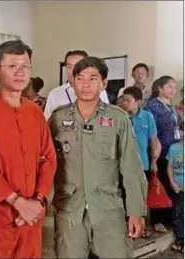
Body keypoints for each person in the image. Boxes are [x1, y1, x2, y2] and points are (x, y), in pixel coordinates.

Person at [0, 39, 57, 258]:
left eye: (25, 66)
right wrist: (17, 202)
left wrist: (38, 200)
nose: (20, 72)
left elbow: (49, 158)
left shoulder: (34, 112)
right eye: (12, 66)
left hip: (31, 216)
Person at [49, 57, 147, 258]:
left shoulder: (118, 118)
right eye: (80, 78)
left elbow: (131, 167)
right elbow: (46, 163)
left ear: (104, 83)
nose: (86, 84)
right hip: (69, 210)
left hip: (109, 210)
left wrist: (136, 211)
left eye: (93, 78)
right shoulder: (58, 118)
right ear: (73, 82)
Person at [120, 86, 161, 238]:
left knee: (141, 197)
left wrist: (154, 161)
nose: (124, 103)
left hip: (142, 163)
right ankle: (125, 227)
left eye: (127, 100)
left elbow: (153, 140)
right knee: (124, 196)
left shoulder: (147, 117)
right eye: (122, 100)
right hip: (121, 165)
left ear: (137, 102)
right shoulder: (120, 116)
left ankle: (141, 227)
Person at [144, 76, 178, 233]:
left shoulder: (170, 106)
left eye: (174, 87)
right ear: (160, 88)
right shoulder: (153, 106)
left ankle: (171, 217)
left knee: (172, 185)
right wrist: (154, 155)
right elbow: (150, 131)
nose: (173, 90)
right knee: (160, 184)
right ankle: (158, 220)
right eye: (170, 86)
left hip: (173, 151)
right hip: (160, 152)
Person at [44, 50, 109, 120]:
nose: (72, 71)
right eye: (69, 67)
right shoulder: (55, 94)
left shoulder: (99, 91)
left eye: (77, 65)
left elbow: (106, 116)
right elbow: (46, 122)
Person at [167, 123, 184, 253]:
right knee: (178, 214)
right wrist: (173, 183)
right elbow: (170, 167)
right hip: (178, 188)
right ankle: (180, 240)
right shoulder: (174, 148)